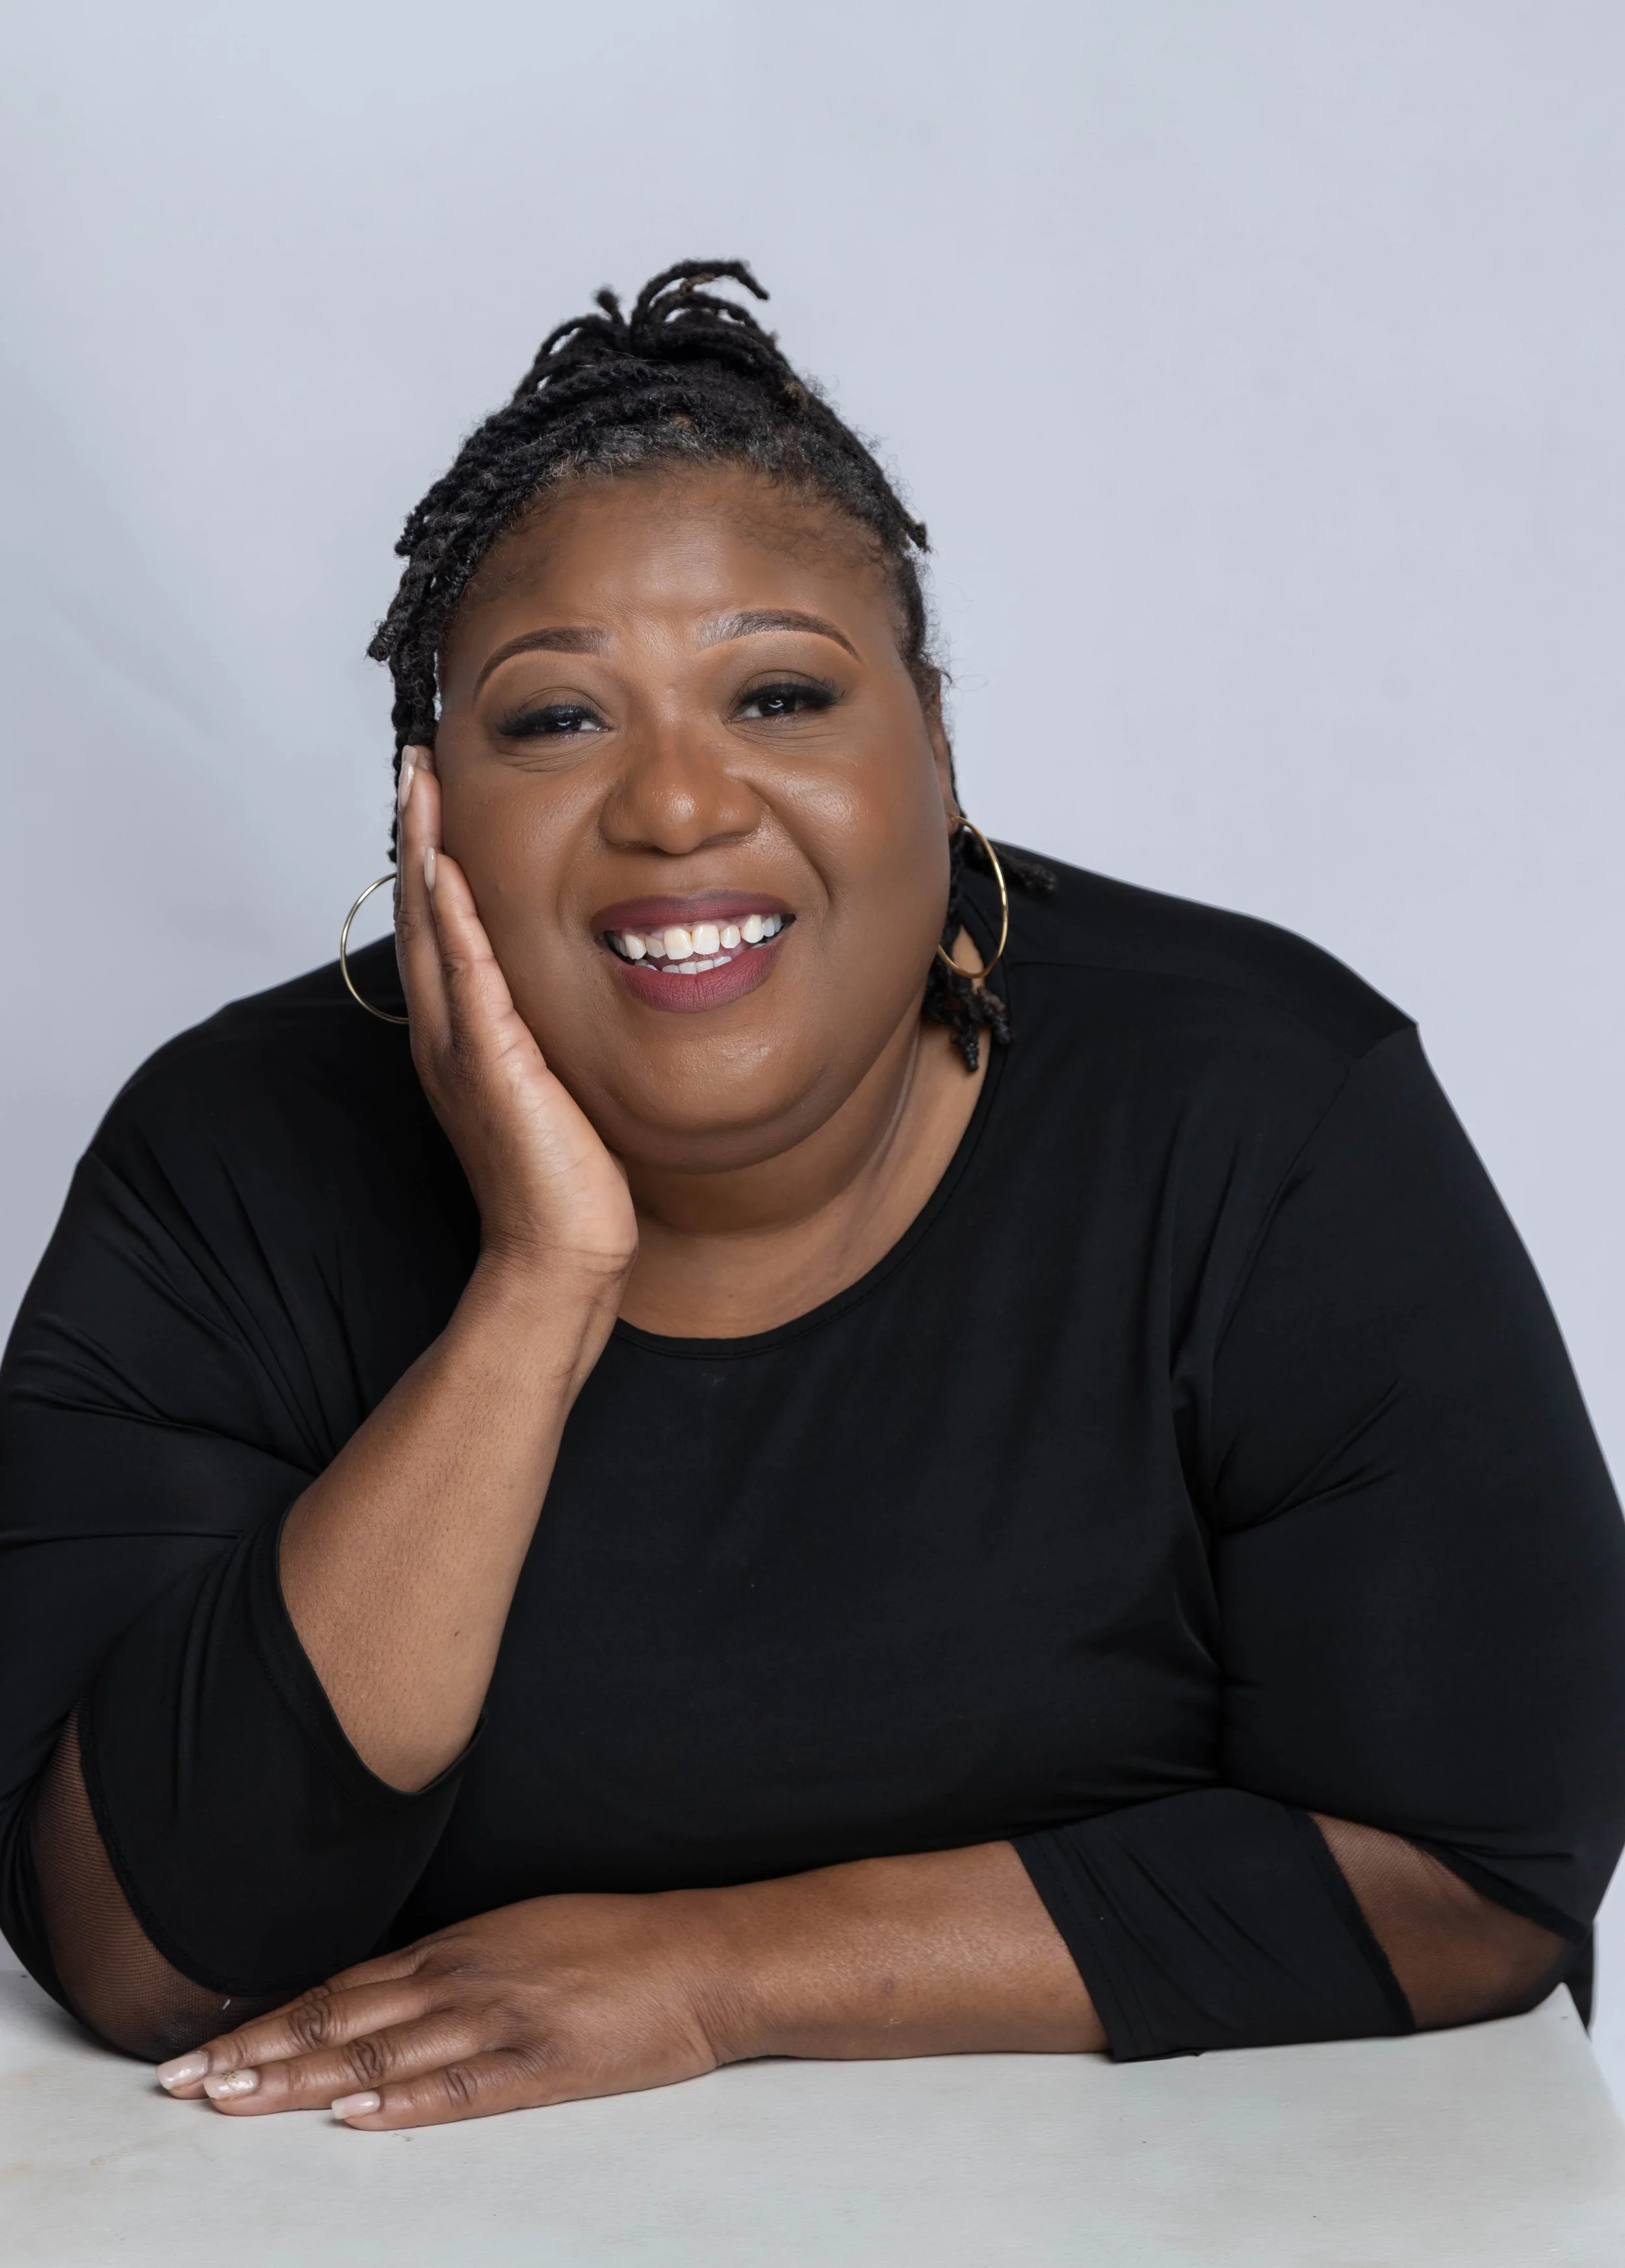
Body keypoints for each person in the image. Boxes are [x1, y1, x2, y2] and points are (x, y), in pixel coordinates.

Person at [2, 262, 1622, 2133]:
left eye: (777, 694)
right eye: (557, 721)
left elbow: (1481, 1871)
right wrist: (540, 1276)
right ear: (423, 808)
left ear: (933, 747)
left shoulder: (1261, 1112)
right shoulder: (234, 1156)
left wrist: (719, 1975)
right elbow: (145, 1955)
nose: (680, 808)